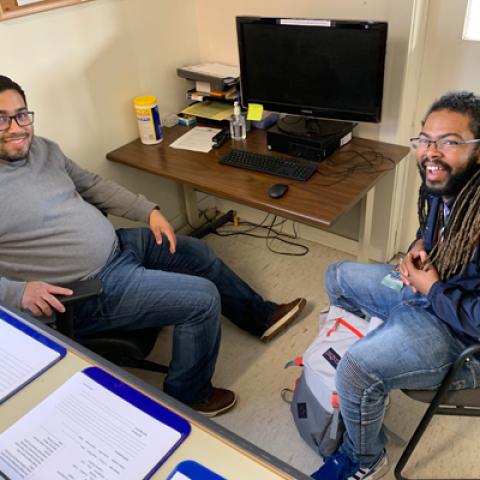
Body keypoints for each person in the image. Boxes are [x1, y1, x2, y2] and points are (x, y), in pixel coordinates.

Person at [0, 75, 306, 417]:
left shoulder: (44, 148)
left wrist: (150, 211)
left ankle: (259, 316)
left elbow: (94, 186)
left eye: (22, 114)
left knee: (196, 252)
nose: (16, 127)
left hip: (117, 247)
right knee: (201, 298)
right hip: (82, 290)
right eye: (2, 118)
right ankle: (189, 395)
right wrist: (18, 293)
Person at [312, 91, 480, 479]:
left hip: (459, 336)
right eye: (425, 139)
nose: (431, 152)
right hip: (427, 292)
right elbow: (431, 232)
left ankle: (365, 458)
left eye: (449, 142)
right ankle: (366, 385)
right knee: (337, 275)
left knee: (355, 369)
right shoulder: (446, 187)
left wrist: (433, 287)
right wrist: (416, 249)